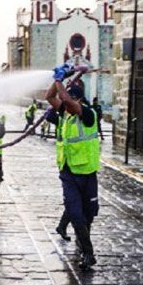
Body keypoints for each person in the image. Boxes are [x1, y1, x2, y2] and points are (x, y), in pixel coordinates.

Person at [45, 64, 100, 270]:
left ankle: (83, 243)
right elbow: (50, 97)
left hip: (87, 173)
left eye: (70, 98)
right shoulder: (65, 114)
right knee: (75, 214)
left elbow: (65, 99)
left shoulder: (87, 114)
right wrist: (60, 77)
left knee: (88, 215)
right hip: (68, 173)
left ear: (78, 99)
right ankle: (88, 253)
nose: (64, 102)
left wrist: (61, 81)